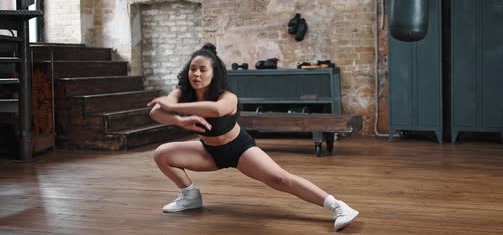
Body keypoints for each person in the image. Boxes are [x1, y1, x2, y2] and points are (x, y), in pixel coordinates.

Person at [148, 43, 359, 231]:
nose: (196, 74)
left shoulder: (227, 97)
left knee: (280, 178)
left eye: (203, 70)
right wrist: (180, 120)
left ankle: (338, 206)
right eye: (193, 69)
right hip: (209, 152)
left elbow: (215, 109)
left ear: (214, 74)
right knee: (162, 154)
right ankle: (190, 196)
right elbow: (156, 112)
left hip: (239, 150)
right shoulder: (182, 92)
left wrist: (175, 107)